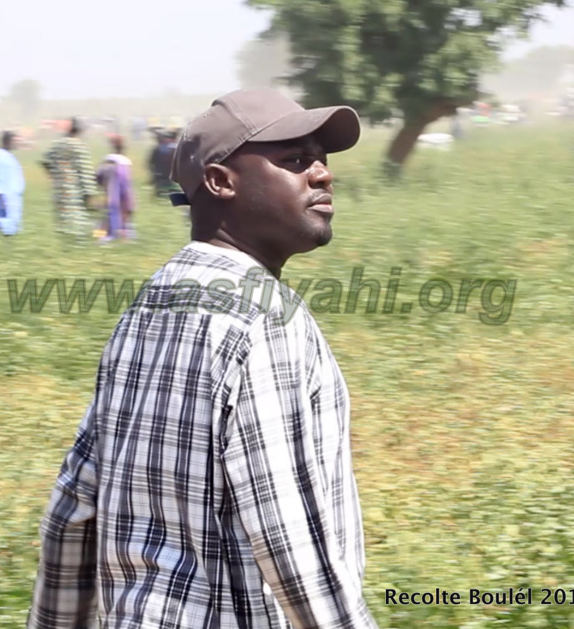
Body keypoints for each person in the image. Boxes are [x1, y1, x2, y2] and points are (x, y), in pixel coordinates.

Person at [26, 88, 377, 629]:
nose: (323, 175)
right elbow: (290, 541)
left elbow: (74, 510)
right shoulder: (265, 320)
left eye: (321, 159)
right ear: (220, 182)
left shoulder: (145, 309)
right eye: (294, 160)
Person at [40, 116, 98, 241]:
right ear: (79, 131)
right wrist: (90, 194)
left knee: (63, 221)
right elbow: (85, 172)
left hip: (59, 190)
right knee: (78, 223)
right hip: (74, 191)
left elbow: (45, 161)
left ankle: (65, 244)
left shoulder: (57, 144)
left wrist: (55, 175)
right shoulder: (79, 146)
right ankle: (79, 245)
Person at [95, 135, 136, 242]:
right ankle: (124, 238)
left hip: (111, 194)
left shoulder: (108, 160)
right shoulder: (126, 162)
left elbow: (98, 177)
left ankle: (100, 237)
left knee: (106, 216)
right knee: (125, 217)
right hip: (124, 196)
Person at [147, 128, 181, 199]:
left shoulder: (159, 148)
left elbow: (151, 162)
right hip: (170, 174)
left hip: (161, 174)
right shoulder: (176, 147)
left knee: (161, 190)